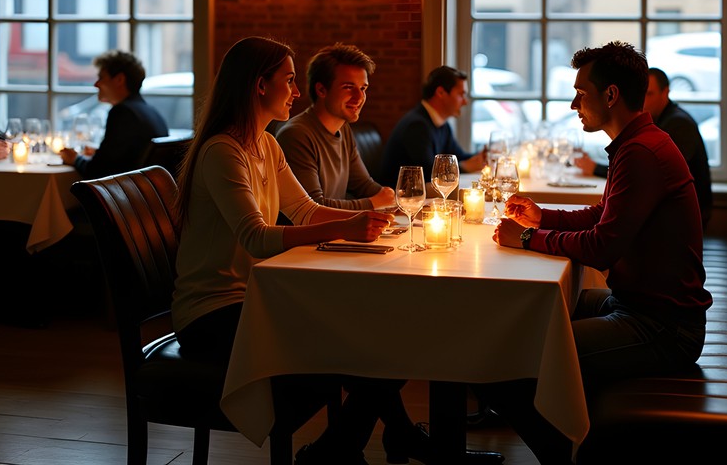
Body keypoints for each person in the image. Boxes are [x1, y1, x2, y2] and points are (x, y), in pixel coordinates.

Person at [171, 37, 500, 465]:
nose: (295, 91)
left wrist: (356, 222)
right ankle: (360, 449)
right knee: (371, 346)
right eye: (288, 81)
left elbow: (305, 210)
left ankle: (340, 450)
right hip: (212, 312)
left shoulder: (266, 145)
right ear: (258, 86)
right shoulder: (222, 151)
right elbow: (255, 236)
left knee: (380, 341)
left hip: (257, 298)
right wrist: (348, 224)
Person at [485, 41, 712, 465]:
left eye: (580, 93)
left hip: (664, 326)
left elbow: (602, 245)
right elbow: (605, 214)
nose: (574, 104)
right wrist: (542, 216)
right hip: (639, 304)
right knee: (536, 313)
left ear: (610, 95)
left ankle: (566, 461)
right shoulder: (638, 142)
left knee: (510, 354)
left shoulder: (642, 152)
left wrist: (529, 240)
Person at [574, 66, 713, 228]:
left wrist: (595, 168)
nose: (643, 100)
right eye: (642, 93)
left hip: (686, 222)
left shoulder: (678, 123)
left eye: (649, 94)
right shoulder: (655, 123)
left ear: (666, 92)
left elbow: (647, 175)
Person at [276, 43, 396, 211]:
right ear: (321, 89)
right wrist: (374, 203)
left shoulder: (343, 129)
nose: (359, 97)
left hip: (336, 234)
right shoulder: (296, 135)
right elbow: (314, 208)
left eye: (363, 88)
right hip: (310, 237)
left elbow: (363, 185)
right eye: (348, 87)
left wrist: (395, 199)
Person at [60, 50, 169, 179]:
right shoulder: (151, 112)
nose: (96, 84)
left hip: (127, 196)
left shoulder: (123, 112)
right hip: (148, 194)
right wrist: (99, 153)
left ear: (119, 79)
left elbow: (98, 171)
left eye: (101, 77)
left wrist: (75, 159)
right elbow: (125, 160)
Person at [380, 65, 487, 187]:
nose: (465, 101)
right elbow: (429, 174)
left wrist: (481, 157)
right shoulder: (417, 126)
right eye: (461, 94)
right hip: (402, 199)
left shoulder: (442, 124)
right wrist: (464, 167)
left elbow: (458, 156)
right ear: (441, 92)